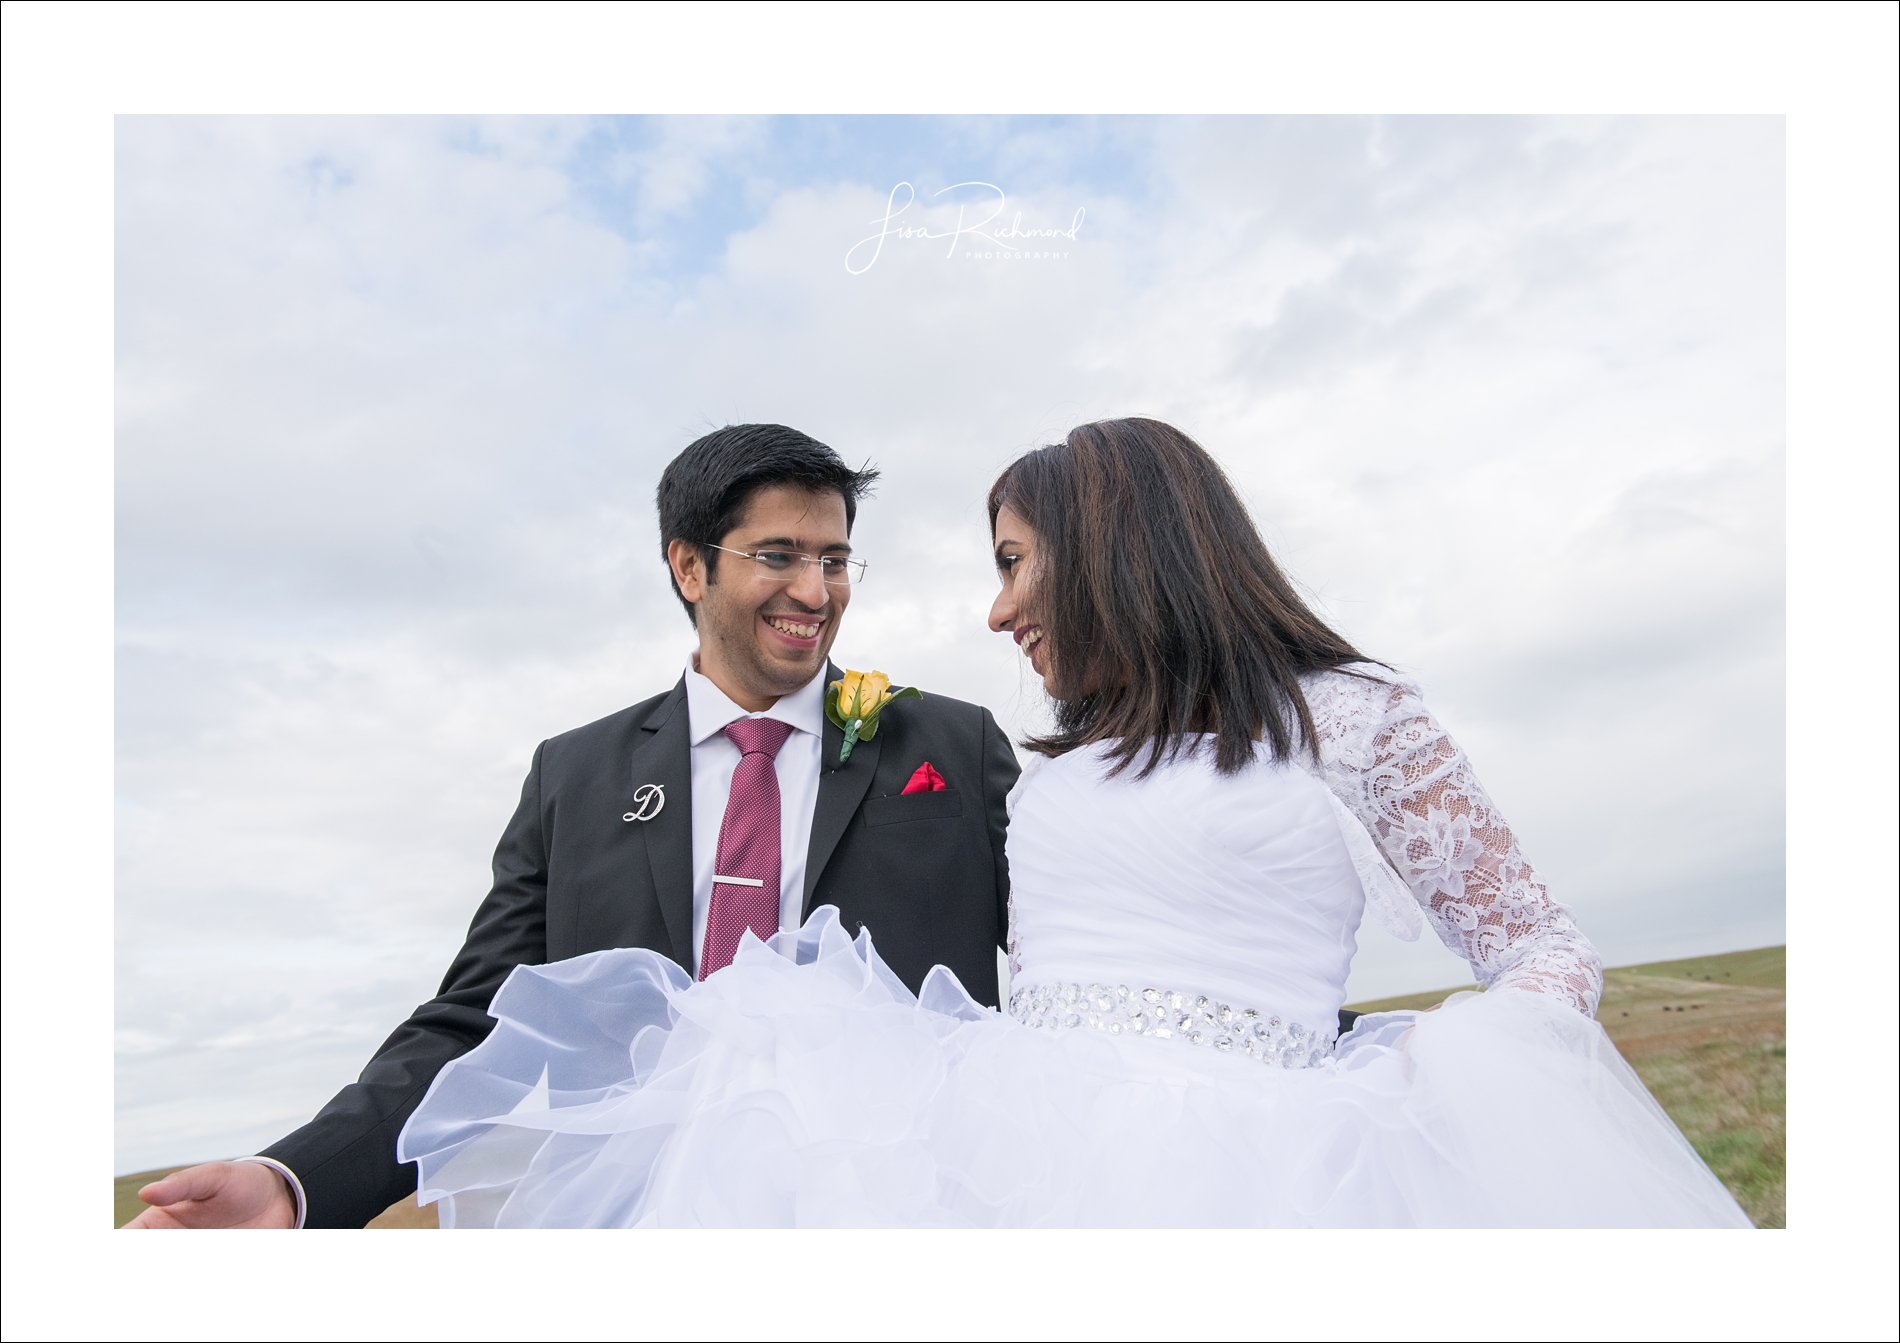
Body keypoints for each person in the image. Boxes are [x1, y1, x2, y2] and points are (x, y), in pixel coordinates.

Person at [394, 416, 1751, 1228]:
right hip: (1014, 1161)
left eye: (1012, 562)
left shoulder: (1352, 714)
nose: (995, 609)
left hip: (1277, 1165)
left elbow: (1542, 948)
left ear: (1113, 545)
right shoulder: (1061, 767)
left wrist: (1412, 1093)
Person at [126, 423, 1020, 1228]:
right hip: (641, 1223)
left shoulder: (950, 743)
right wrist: (293, 1180)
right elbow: (474, 1020)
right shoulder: (575, 776)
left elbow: (1069, 958)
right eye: (777, 555)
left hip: (913, 1218)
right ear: (687, 566)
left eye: (834, 559)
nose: (815, 590)